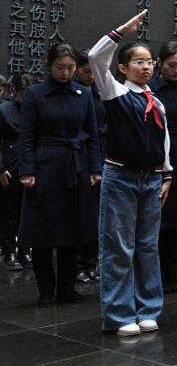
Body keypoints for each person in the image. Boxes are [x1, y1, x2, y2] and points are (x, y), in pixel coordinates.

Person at [89, 9, 174, 336]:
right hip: (121, 176)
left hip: (151, 178)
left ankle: (147, 308)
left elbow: (164, 141)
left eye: (150, 61)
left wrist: (166, 175)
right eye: (139, 61)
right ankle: (120, 314)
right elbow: (96, 58)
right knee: (119, 247)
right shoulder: (115, 91)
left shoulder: (156, 102)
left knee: (147, 246)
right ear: (123, 68)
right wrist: (121, 31)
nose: (147, 66)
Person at [17, 43, 101, 305]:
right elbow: (26, 136)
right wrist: (27, 170)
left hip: (76, 166)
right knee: (42, 231)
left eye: (70, 68)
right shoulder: (35, 94)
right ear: (49, 66)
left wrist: (95, 168)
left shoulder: (84, 93)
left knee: (73, 230)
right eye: (60, 68)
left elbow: (92, 134)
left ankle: (67, 288)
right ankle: (45, 290)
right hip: (45, 166)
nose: (65, 73)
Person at [151, 42, 177, 292]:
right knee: (163, 218)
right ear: (159, 63)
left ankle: (173, 273)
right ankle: (159, 274)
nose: (176, 71)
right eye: (171, 65)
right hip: (162, 154)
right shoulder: (152, 89)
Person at [74, 50, 105, 284]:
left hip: (100, 156)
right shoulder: (74, 93)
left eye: (94, 72)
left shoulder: (100, 92)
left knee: (96, 214)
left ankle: (91, 262)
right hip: (77, 157)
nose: (91, 77)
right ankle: (77, 264)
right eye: (86, 72)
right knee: (79, 214)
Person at [0, 75, 31, 270]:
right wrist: (0, 168)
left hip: (29, 167)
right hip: (9, 166)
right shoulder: (3, 110)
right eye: (22, 93)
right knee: (8, 212)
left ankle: (24, 250)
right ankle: (9, 252)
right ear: (14, 90)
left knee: (26, 212)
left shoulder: (34, 109)